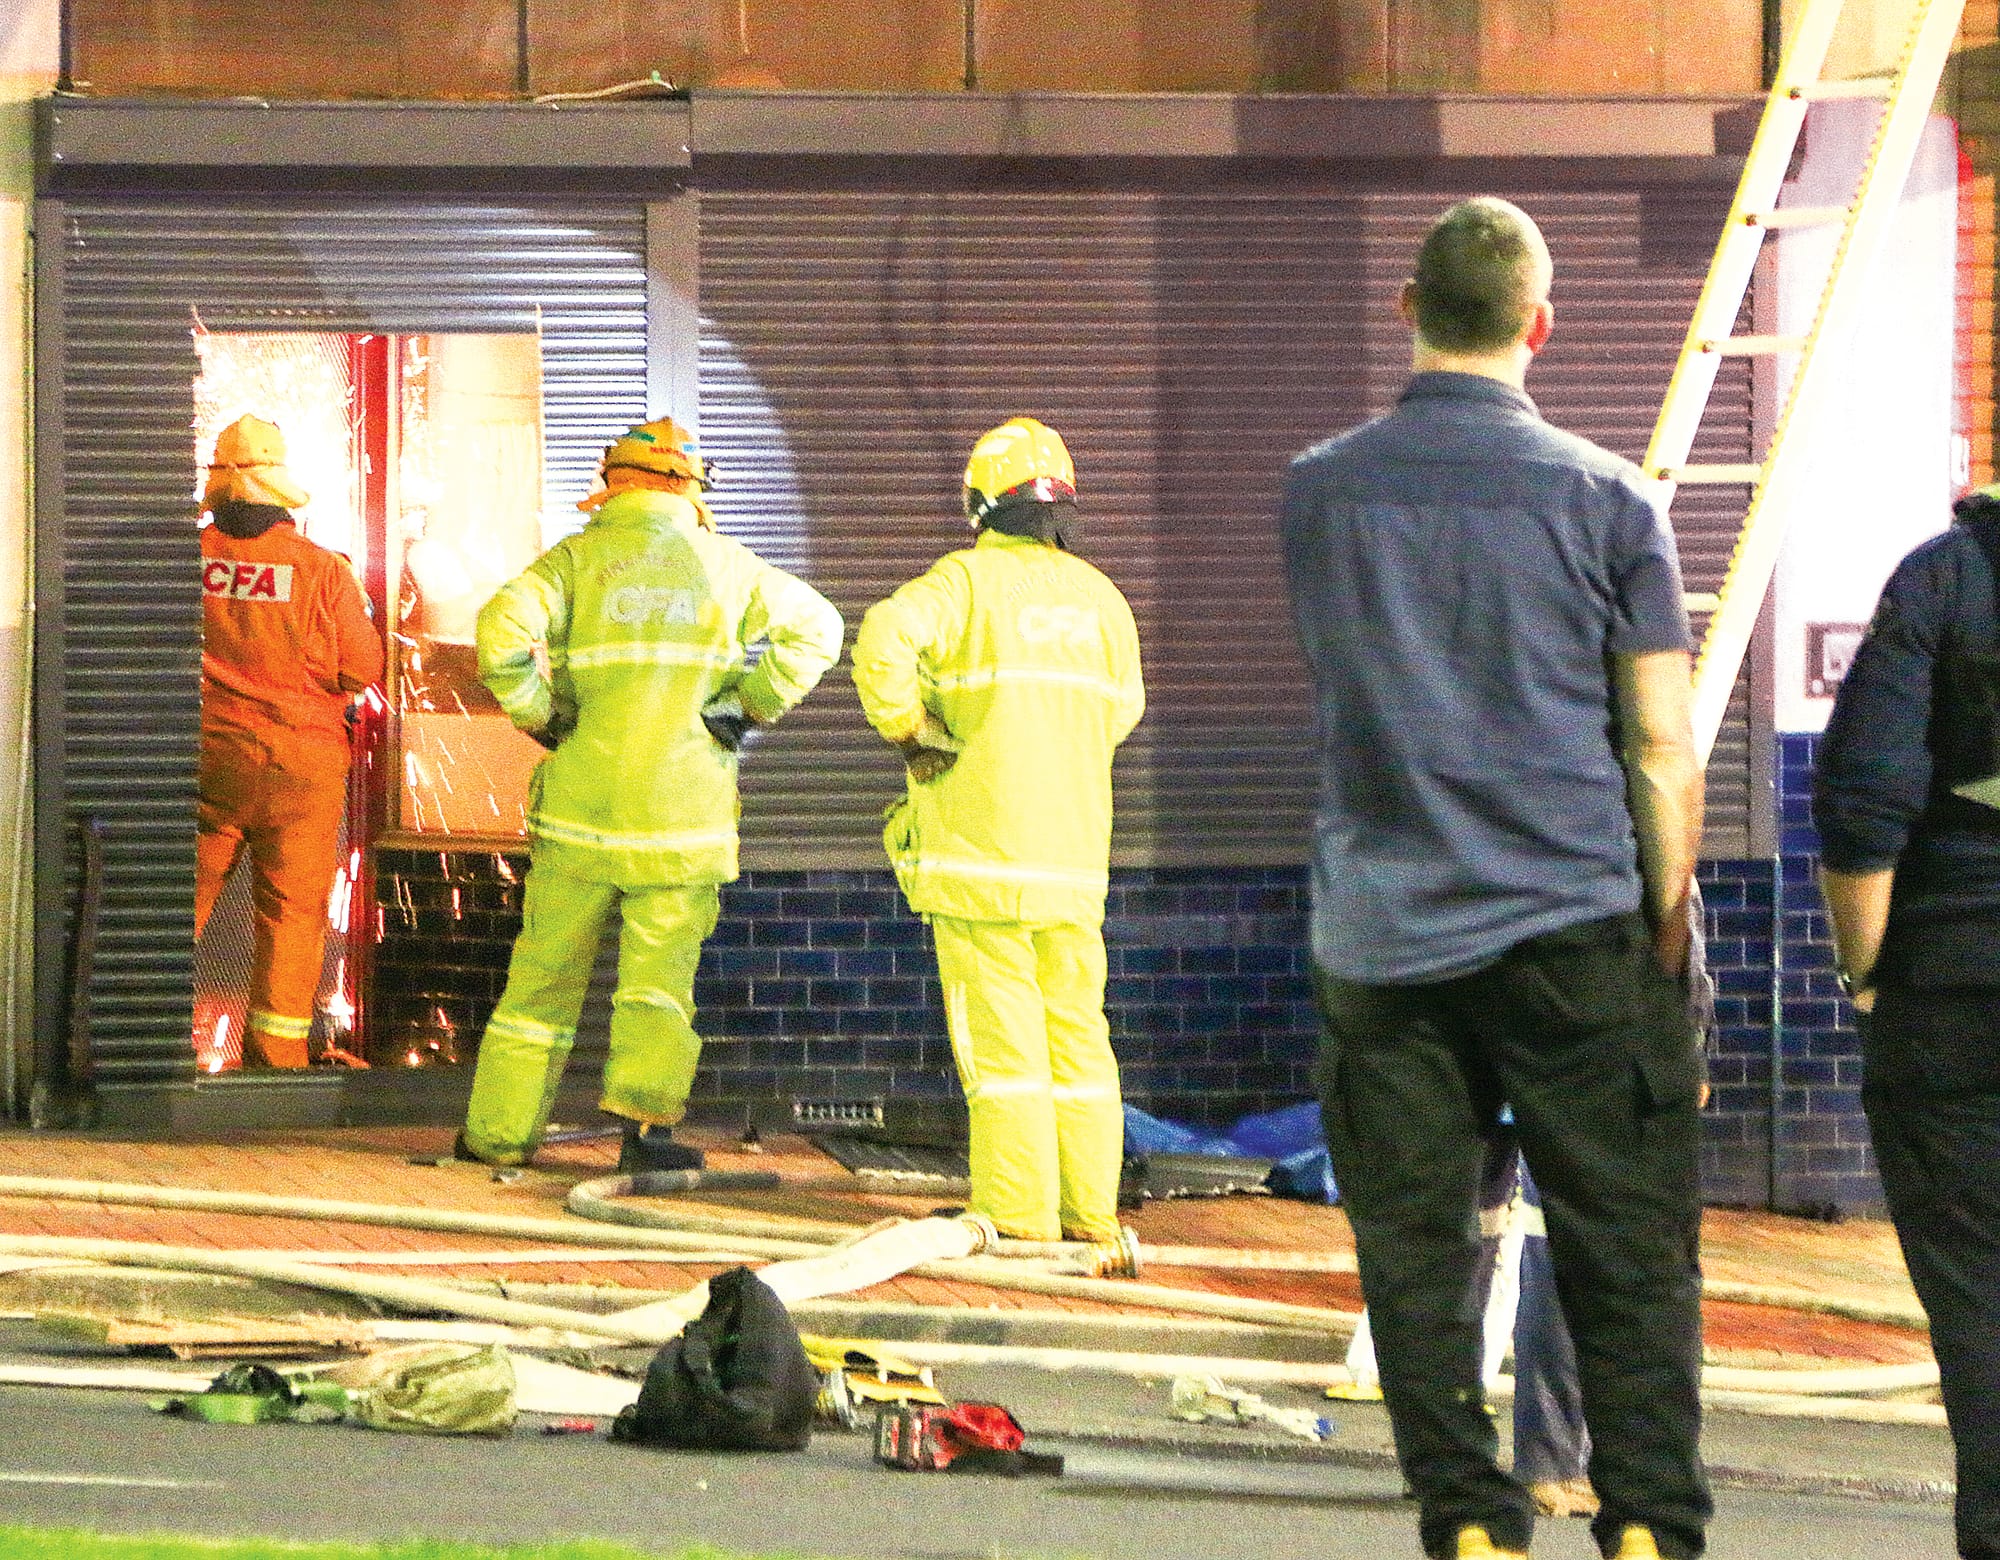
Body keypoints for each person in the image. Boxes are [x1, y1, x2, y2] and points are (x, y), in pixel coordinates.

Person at [1281, 197, 1711, 1560]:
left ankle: (1467, 1526)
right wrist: (1664, 915)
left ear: (1408, 311)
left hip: (1383, 935)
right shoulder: (1611, 499)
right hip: (1575, 922)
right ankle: (1645, 1527)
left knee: (1417, 1256)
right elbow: (1658, 739)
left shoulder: (1319, 490)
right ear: (1541, 323)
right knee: (1625, 1245)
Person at [457, 417, 843, 1171]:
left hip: (581, 813)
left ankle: (496, 1138)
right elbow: (818, 628)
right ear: (692, 491)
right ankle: (643, 1137)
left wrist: (542, 713)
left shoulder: (574, 561)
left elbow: (500, 630)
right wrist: (747, 705)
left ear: (613, 485)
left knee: (539, 985)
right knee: (657, 989)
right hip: (681, 818)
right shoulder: (729, 567)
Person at [852, 417, 1145, 1245]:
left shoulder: (960, 586)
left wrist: (912, 734)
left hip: (981, 864)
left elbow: (882, 641)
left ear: (981, 505)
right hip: (1075, 866)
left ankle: (1017, 1219)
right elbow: (1121, 713)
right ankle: (1091, 1214)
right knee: (1082, 1045)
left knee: (1005, 1051)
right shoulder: (1103, 601)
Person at [1815, 483, 2000, 1560]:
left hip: (1956, 984)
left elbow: (1861, 803)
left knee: (1979, 1294)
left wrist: (1868, 973)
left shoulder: (1941, 579)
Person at [197, 414, 384, 1069]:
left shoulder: (186, 562)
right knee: (293, 913)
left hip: (207, 760)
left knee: (175, 901)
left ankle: (134, 1040)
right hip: (299, 768)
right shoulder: (322, 570)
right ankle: (277, 1059)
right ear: (281, 492)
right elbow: (361, 668)